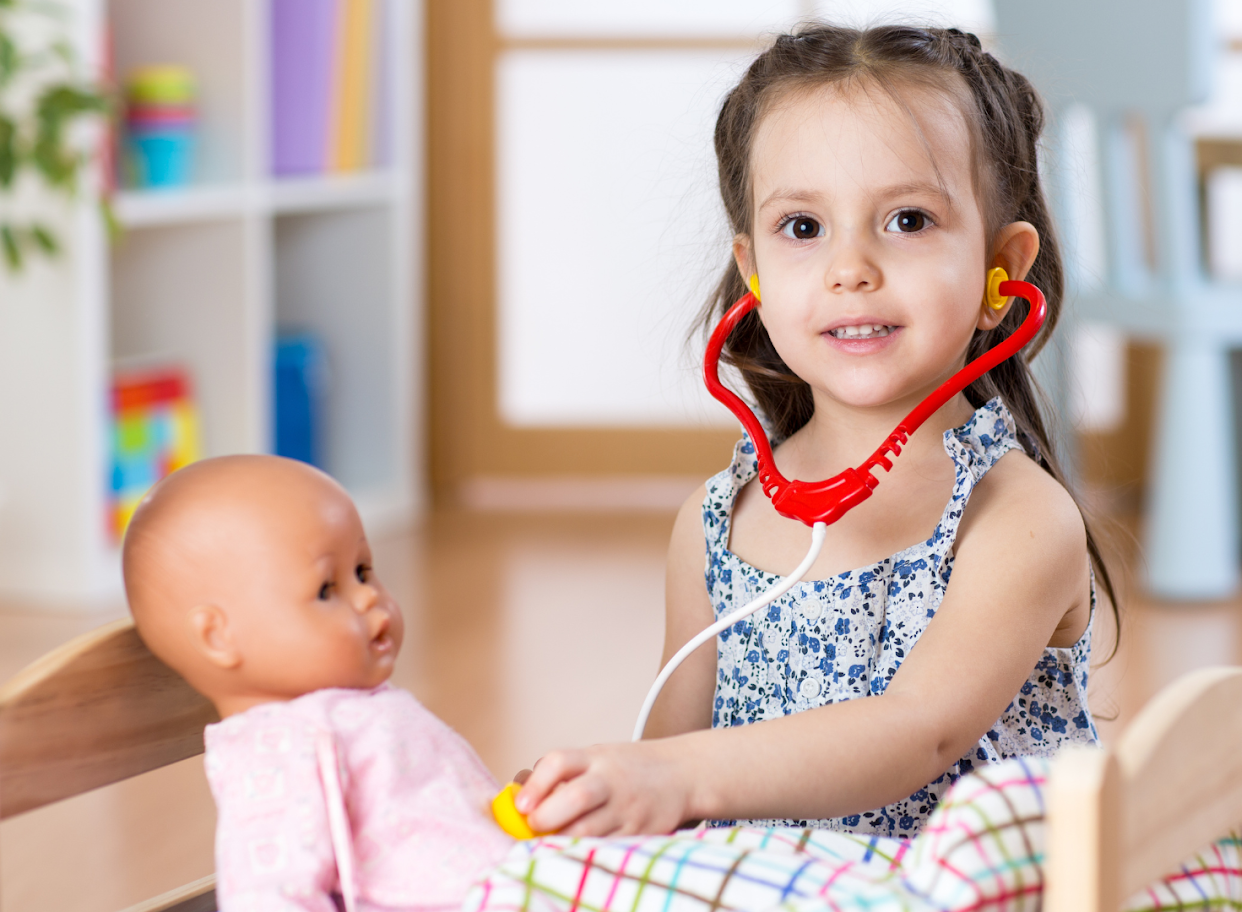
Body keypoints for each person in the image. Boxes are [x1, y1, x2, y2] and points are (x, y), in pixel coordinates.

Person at [513, 23, 1119, 840]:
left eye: (907, 220)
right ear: (753, 275)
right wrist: (597, 797)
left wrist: (670, 774)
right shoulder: (711, 525)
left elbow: (921, 731)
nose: (850, 268)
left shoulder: (1019, 519)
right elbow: (670, 768)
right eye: (803, 228)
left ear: (998, 275)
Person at [122, 455, 514, 912]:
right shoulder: (277, 747)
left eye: (363, 571)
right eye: (328, 589)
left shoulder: (363, 708)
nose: (369, 595)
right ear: (219, 637)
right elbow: (269, 893)